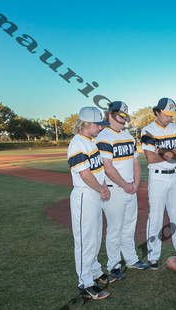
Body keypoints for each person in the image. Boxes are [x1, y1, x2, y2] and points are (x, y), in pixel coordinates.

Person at [96, 101, 150, 279]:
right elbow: (108, 168)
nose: (123, 120)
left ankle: (131, 260)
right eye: (120, 116)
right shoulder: (103, 138)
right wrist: (126, 185)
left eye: (125, 117)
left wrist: (135, 183)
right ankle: (113, 265)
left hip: (129, 188)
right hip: (114, 189)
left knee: (129, 227)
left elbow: (135, 162)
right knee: (115, 229)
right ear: (109, 115)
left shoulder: (128, 137)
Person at [67, 106, 113, 300]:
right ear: (86, 124)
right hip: (85, 195)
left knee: (94, 237)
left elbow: (96, 171)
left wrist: (103, 186)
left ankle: (94, 271)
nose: (100, 128)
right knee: (85, 241)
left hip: (94, 193)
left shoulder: (90, 142)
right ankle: (85, 284)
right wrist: (102, 189)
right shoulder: (77, 143)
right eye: (97, 124)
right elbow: (85, 175)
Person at [140, 98, 176, 270]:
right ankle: (153, 256)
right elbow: (150, 157)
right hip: (157, 177)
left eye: (171, 114)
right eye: (166, 114)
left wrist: (161, 150)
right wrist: (170, 152)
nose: (169, 118)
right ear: (157, 112)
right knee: (156, 216)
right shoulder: (148, 130)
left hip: (174, 176)